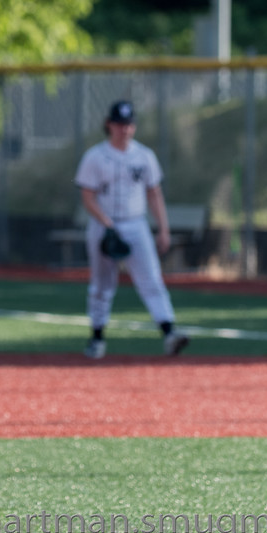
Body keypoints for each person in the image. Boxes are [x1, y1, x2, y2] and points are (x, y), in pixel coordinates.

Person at [74, 100, 188, 359]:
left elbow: (155, 194)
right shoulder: (95, 157)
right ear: (109, 125)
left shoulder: (145, 156)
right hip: (104, 225)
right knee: (102, 285)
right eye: (119, 124)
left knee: (152, 280)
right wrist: (106, 224)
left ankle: (170, 334)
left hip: (136, 224)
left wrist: (164, 230)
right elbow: (88, 197)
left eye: (128, 124)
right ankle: (97, 338)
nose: (124, 129)